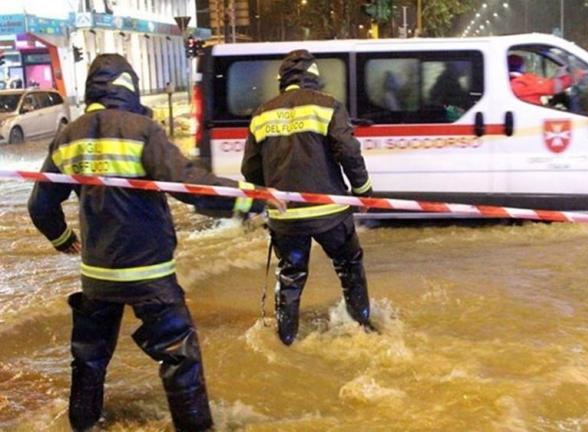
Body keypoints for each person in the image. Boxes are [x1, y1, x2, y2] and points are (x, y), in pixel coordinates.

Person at [27, 54, 279, 432]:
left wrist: (64, 239)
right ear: (130, 87)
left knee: (89, 356)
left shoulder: (68, 137)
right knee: (180, 357)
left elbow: (40, 205)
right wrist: (251, 199)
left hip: (97, 274)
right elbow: (191, 186)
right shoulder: (141, 129)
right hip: (150, 272)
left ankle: (83, 423)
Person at [241, 49, 376, 346]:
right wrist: (363, 190)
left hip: (285, 218)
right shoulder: (327, 106)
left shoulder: (262, 113)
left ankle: (285, 338)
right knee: (349, 265)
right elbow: (348, 151)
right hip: (329, 214)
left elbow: (250, 171)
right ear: (314, 77)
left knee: (290, 276)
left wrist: (269, 196)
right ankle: (363, 327)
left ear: (282, 80)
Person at [508, 54, 574, 106]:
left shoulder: (505, 82)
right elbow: (553, 87)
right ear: (521, 66)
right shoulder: (525, 81)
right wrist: (573, 77)